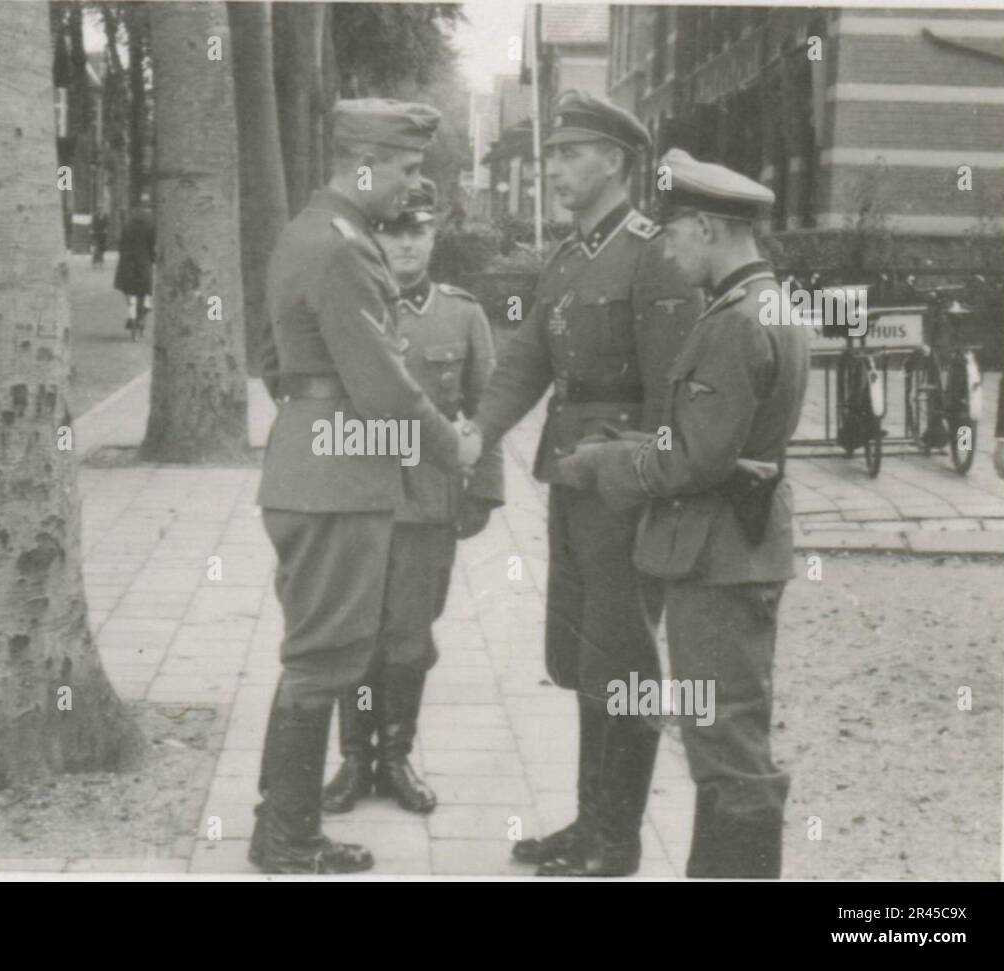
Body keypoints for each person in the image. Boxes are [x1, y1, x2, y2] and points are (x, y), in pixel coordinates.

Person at [557, 148, 810, 878]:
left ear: (706, 227)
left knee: (724, 739)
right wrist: (642, 441)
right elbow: (720, 445)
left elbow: (695, 463)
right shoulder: (774, 302)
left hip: (717, 552)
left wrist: (609, 462)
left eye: (674, 233)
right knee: (725, 729)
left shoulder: (733, 321)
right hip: (741, 542)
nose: (666, 249)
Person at [469, 91, 701, 877]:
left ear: (615, 159)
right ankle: (589, 822)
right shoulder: (569, 258)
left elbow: (673, 390)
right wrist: (479, 430)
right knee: (582, 653)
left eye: (570, 152)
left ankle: (620, 840)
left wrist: (651, 481)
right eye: (555, 152)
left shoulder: (655, 255)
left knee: (624, 656)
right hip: (569, 481)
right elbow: (527, 360)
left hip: (626, 486)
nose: (555, 165)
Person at [249, 99, 482, 874]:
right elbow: (385, 386)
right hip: (338, 477)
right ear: (365, 163)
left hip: (315, 463)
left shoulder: (307, 232)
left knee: (320, 652)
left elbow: (270, 357)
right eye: (408, 169)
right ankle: (288, 840)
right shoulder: (345, 248)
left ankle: (279, 827)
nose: (411, 185)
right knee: (323, 658)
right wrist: (457, 448)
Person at [321, 178, 504, 816]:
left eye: (416, 231)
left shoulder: (463, 313)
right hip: (357, 503)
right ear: (375, 237)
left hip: (427, 506)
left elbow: (487, 409)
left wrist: (483, 491)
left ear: (433, 237)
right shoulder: (350, 311)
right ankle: (354, 760)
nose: (404, 244)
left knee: (408, 638)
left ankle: (395, 757)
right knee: (354, 634)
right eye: (392, 231)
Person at [114, 204, 155, 341]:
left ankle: (131, 314)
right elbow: (152, 245)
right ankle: (145, 309)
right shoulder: (150, 226)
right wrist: (152, 259)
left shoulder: (127, 226)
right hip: (144, 263)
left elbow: (120, 244)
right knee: (146, 290)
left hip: (127, 263)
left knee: (129, 290)